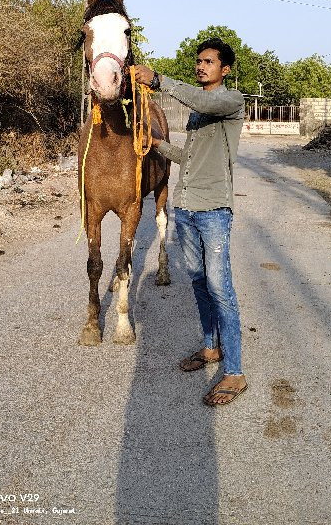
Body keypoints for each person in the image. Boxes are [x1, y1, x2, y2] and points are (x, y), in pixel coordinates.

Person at [134, 37, 247, 407]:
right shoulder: (200, 114)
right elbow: (190, 156)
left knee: (220, 289)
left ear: (224, 69)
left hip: (214, 210)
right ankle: (211, 348)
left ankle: (235, 371)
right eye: (198, 61)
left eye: (209, 62)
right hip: (187, 208)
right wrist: (157, 144)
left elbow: (199, 99)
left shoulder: (229, 101)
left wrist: (158, 80)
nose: (201, 66)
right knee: (199, 281)